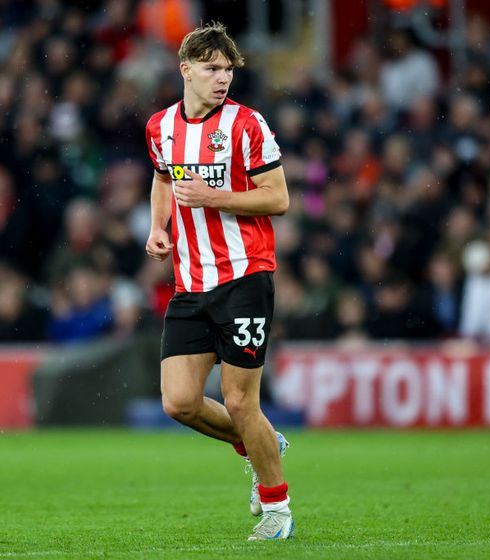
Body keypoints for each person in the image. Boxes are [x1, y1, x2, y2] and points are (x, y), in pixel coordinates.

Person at [143, 22, 293, 541]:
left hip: (245, 275)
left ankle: (277, 510)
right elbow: (164, 178)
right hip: (190, 282)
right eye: (211, 68)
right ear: (186, 70)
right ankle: (261, 443)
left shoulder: (247, 125)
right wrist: (158, 227)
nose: (222, 78)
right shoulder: (160, 127)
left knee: (239, 401)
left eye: (227, 69)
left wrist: (216, 198)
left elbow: (277, 197)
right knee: (178, 402)